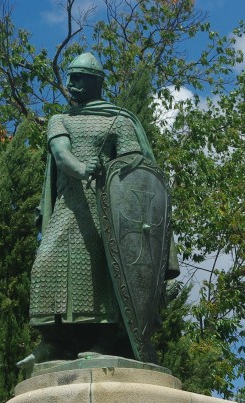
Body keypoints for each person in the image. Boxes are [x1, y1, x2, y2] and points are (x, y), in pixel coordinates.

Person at [18, 52, 166, 369]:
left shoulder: (120, 121)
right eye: (69, 77)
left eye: (78, 78)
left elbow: (134, 169)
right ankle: (53, 341)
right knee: (46, 265)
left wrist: (111, 169)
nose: (70, 84)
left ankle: (107, 341)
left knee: (106, 272)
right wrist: (85, 169)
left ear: (96, 82)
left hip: (109, 212)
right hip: (69, 208)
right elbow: (61, 155)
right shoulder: (61, 120)